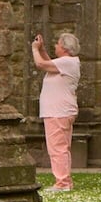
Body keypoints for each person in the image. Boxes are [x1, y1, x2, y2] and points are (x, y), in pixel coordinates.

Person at [33, 33, 82, 191]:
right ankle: (64, 180)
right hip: (60, 111)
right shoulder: (66, 63)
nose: (56, 47)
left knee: (57, 148)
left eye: (57, 44)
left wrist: (35, 50)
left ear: (64, 48)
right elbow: (48, 62)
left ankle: (62, 183)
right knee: (61, 147)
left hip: (58, 112)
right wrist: (43, 49)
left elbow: (41, 64)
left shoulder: (68, 62)